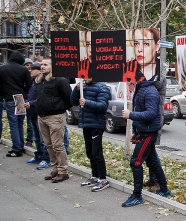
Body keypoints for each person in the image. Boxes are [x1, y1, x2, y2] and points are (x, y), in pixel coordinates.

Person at [121, 78, 171, 206]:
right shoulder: (140, 89)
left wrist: (130, 115)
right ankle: (164, 190)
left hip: (148, 133)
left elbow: (151, 113)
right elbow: (140, 111)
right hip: (143, 132)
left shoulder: (150, 91)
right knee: (153, 162)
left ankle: (137, 195)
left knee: (136, 162)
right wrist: (135, 131)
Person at [35, 59, 73, 182]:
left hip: (55, 117)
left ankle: (63, 171)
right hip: (42, 117)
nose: (42, 67)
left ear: (53, 66)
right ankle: (55, 169)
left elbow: (69, 98)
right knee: (49, 145)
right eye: (41, 64)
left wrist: (60, 109)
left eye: (45, 64)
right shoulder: (40, 81)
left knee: (58, 145)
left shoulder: (60, 80)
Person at [71, 77, 112, 192]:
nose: (83, 79)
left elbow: (102, 106)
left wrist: (87, 102)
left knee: (96, 152)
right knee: (89, 152)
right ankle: (95, 176)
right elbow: (73, 102)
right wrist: (76, 90)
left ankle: (103, 179)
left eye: (86, 76)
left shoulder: (102, 87)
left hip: (96, 124)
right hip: (86, 124)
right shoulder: (83, 87)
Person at [0, 51, 32, 157]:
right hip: (20, 98)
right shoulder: (23, 69)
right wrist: (23, 91)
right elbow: (29, 84)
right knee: (19, 123)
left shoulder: (1, 69)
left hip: (9, 97)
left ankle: (16, 149)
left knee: (13, 124)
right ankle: (20, 146)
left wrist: (2, 92)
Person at [23, 63, 51, 168]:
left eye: (32, 69)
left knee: (43, 138)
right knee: (36, 137)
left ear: (39, 71)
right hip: (32, 112)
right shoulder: (35, 81)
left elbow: (42, 97)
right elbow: (32, 95)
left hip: (39, 112)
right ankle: (39, 155)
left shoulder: (43, 81)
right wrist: (26, 101)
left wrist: (31, 103)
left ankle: (46, 158)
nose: (30, 71)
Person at [23, 59, 35, 147]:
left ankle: (30, 140)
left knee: (31, 123)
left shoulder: (35, 79)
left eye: (30, 65)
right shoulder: (21, 76)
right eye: (27, 65)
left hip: (32, 102)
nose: (29, 67)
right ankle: (29, 139)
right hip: (24, 100)